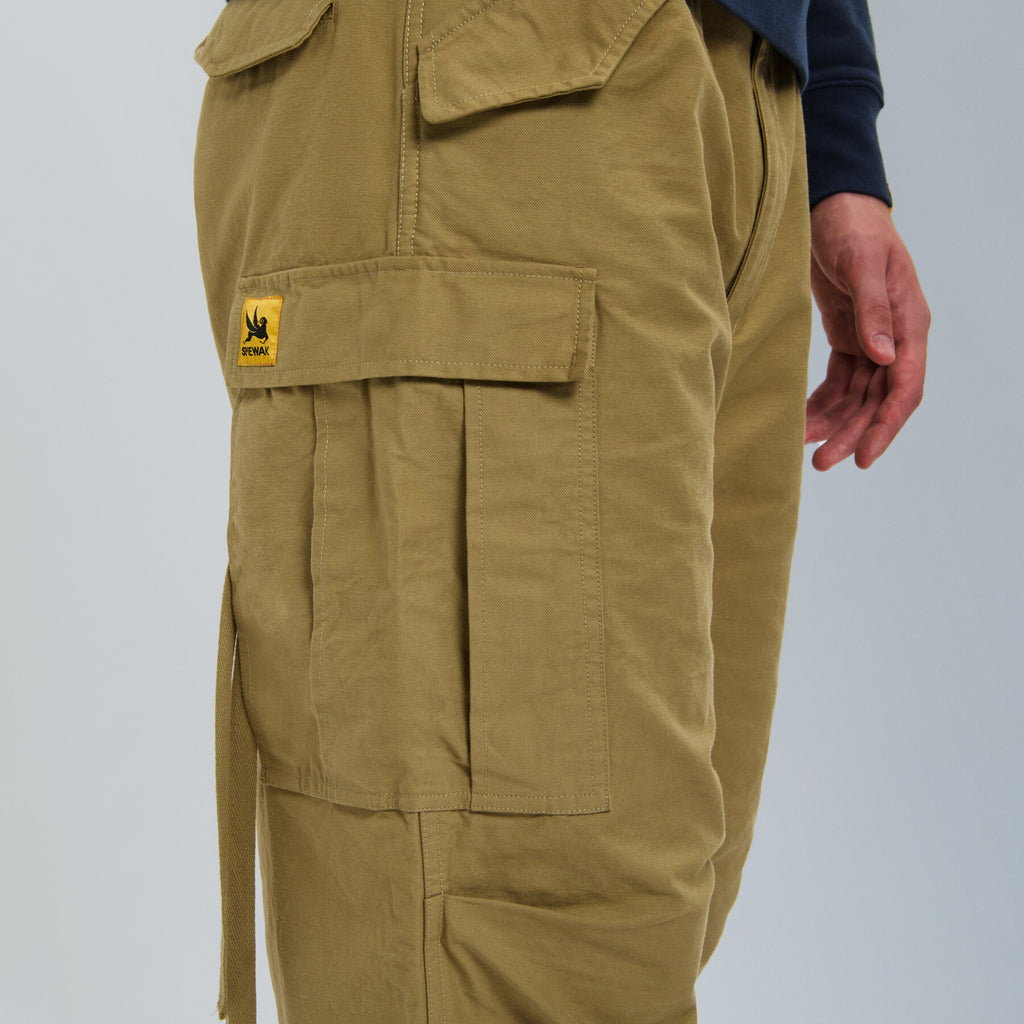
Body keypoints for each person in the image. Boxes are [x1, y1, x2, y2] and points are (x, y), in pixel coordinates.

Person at [193, 1, 929, 1022]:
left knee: (646, 911)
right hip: (474, 84)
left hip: (740, 88)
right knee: (496, 926)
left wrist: (836, 141)